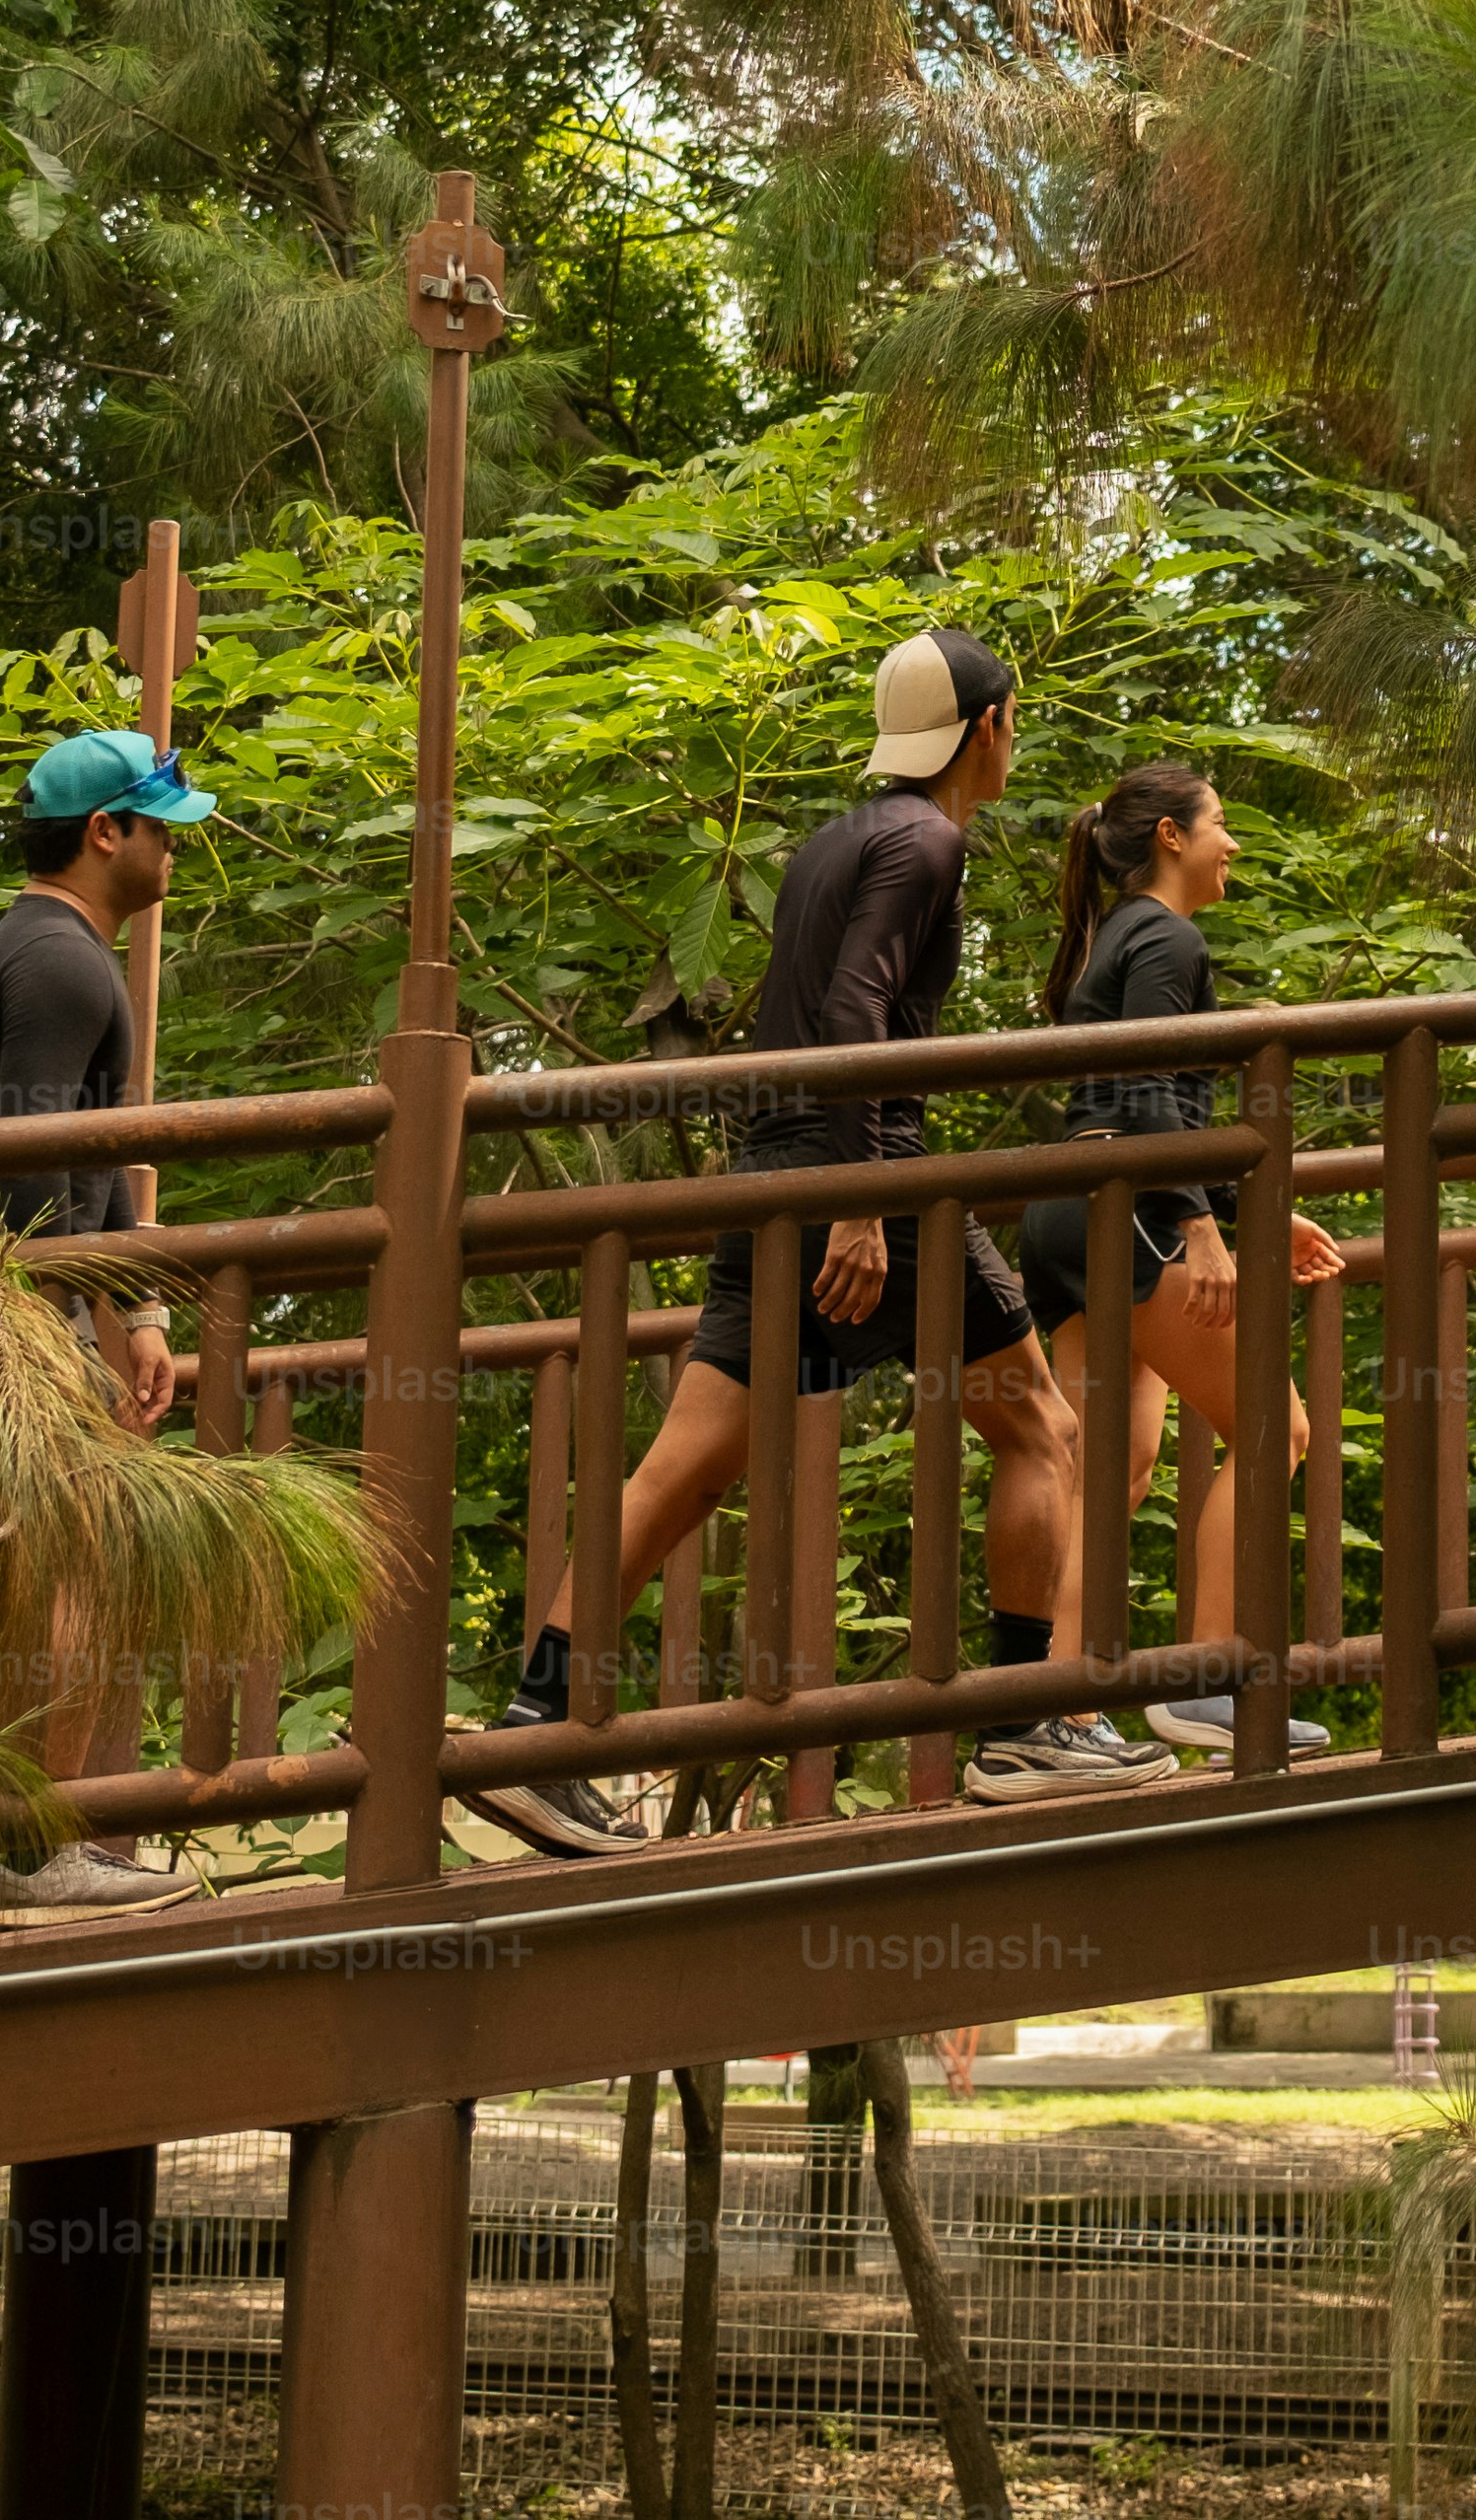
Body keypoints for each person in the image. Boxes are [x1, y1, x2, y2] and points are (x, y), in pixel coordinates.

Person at [458, 628, 1159, 1857]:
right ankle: (1021, 1723)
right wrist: (858, 1202)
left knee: (685, 1468)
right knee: (1043, 1428)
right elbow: (853, 1009)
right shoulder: (929, 840)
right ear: (986, 726)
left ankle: (536, 1723)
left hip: (768, 1174)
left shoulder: (838, 838)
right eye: (1016, 720)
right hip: (867, 1178)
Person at [0, 724, 216, 1913]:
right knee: (75, 1573)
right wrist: (95, 1329)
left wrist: (134, 1305)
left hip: (3, 1314)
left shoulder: (56, 951)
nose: (173, 855)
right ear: (107, 833)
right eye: (162, 830)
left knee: (41, 1577)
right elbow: (33, 1176)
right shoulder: (63, 963)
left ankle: (31, 1843)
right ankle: (35, 1852)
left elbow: (92, 1159)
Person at [1009, 761, 1346, 1763]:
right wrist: (1201, 1226)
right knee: (1276, 1430)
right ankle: (1204, 1678)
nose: (1231, 844)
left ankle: (1057, 1711)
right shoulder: (1165, 933)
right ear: (1170, 834)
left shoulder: (1117, 936)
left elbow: (1133, 1098)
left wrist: (1253, 1214)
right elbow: (1155, 1083)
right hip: (1137, 1217)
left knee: (1108, 1468)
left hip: (1074, 1208)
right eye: (1221, 825)